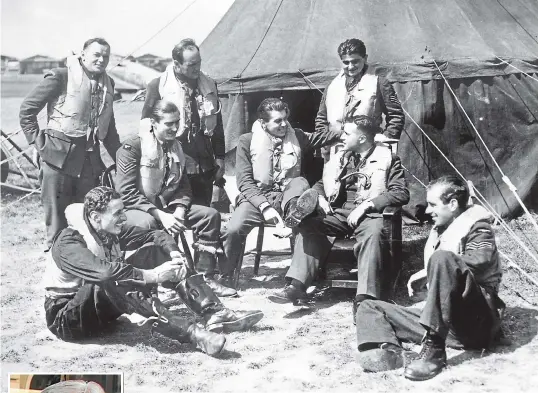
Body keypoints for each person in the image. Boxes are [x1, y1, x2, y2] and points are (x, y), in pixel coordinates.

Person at [43, 186, 263, 356]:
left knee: (154, 251)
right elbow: (105, 274)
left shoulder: (109, 228)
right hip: (67, 319)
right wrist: (154, 275)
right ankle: (194, 335)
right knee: (116, 276)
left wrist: (175, 254)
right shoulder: (69, 241)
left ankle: (214, 312)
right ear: (95, 217)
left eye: (123, 211)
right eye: (117, 213)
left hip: (100, 311)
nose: (124, 218)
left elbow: (156, 235)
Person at [355, 176, 505, 381]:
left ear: (452, 204)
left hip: (477, 323)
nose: (427, 210)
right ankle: (395, 353)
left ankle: (434, 349)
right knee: (369, 306)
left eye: (433, 205)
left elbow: (481, 259)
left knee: (442, 258)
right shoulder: (442, 229)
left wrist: (431, 269)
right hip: (448, 324)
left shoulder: (479, 227)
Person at [268, 115, 409, 306]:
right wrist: (319, 197)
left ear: (362, 138)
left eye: (348, 133)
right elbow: (320, 184)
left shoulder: (388, 159)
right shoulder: (341, 158)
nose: (342, 137)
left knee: (374, 234)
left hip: (369, 215)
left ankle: (366, 297)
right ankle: (297, 286)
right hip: (339, 214)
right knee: (309, 225)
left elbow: (400, 193)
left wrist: (367, 205)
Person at [115, 100, 236, 297]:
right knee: (149, 223)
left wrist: (180, 208)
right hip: (136, 209)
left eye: (177, 123)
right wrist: (161, 215)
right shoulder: (133, 147)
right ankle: (161, 281)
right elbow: (126, 192)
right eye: (168, 123)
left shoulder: (177, 147)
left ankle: (205, 278)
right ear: (153, 123)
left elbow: (183, 185)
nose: (174, 128)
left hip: (168, 207)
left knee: (209, 215)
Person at [220, 98, 344, 284]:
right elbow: (245, 182)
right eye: (278, 121)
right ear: (263, 123)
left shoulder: (298, 136)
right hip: (257, 198)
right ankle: (225, 274)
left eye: (285, 119)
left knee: (300, 182)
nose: (284, 124)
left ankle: (295, 213)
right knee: (233, 229)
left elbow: (324, 137)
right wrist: (264, 207)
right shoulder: (246, 141)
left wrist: (352, 133)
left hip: (288, 196)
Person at [19, 37, 121, 249]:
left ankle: (86, 266)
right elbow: (27, 110)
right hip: (57, 160)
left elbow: (109, 131)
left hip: (90, 163)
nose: (101, 60)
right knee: (57, 220)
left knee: (89, 218)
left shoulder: (108, 84)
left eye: (106, 56)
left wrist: (122, 161)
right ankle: (56, 266)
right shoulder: (61, 76)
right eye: (97, 54)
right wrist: (40, 144)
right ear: (83, 55)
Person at [142, 38, 224, 206]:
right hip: (173, 163)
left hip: (204, 164)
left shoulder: (209, 84)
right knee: (176, 211)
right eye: (191, 65)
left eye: (199, 63)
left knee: (202, 212)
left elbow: (218, 124)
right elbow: (146, 126)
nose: (197, 68)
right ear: (177, 64)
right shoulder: (158, 85)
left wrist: (220, 157)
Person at [315, 38, 404, 162]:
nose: (351, 67)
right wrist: (325, 141)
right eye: (346, 62)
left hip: (368, 150)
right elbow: (321, 118)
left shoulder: (379, 83)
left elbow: (396, 115)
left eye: (355, 61)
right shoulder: (331, 86)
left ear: (365, 58)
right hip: (336, 151)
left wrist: (386, 139)